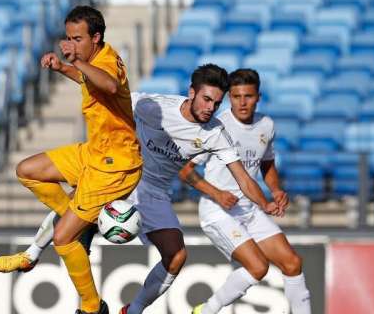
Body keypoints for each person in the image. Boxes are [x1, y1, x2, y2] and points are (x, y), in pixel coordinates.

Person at [0, 5, 142, 314]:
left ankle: (91, 307)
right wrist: (63, 68)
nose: (70, 44)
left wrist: (74, 61)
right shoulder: (91, 62)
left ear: (96, 38)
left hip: (115, 166)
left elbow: (109, 85)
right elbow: (90, 81)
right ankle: (79, 223)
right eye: (67, 38)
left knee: (62, 239)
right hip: (94, 152)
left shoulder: (108, 61)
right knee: (28, 171)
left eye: (77, 39)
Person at [119, 64, 282, 314]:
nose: (210, 108)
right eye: (206, 99)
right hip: (122, 175)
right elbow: (109, 98)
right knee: (75, 219)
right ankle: (42, 255)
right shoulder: (153, 106)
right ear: (191, 92)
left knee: (177, 257)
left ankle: (133, 310)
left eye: (216, 104)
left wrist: (266, 203)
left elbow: (244, 179)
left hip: (155, 192)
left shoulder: (215, 132)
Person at [181, 69, 311, 314]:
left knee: (292, 263)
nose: (242, 102)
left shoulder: (266, 125)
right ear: (229, 96)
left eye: (248, 96)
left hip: (248, 209)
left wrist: (275, 189)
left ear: (258, 97)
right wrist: (217, 193)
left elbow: (266, 163)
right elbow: (185, 171)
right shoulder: (215, 128)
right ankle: (206, 310)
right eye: (236, 96)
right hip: (218, 211)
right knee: (258, 267)